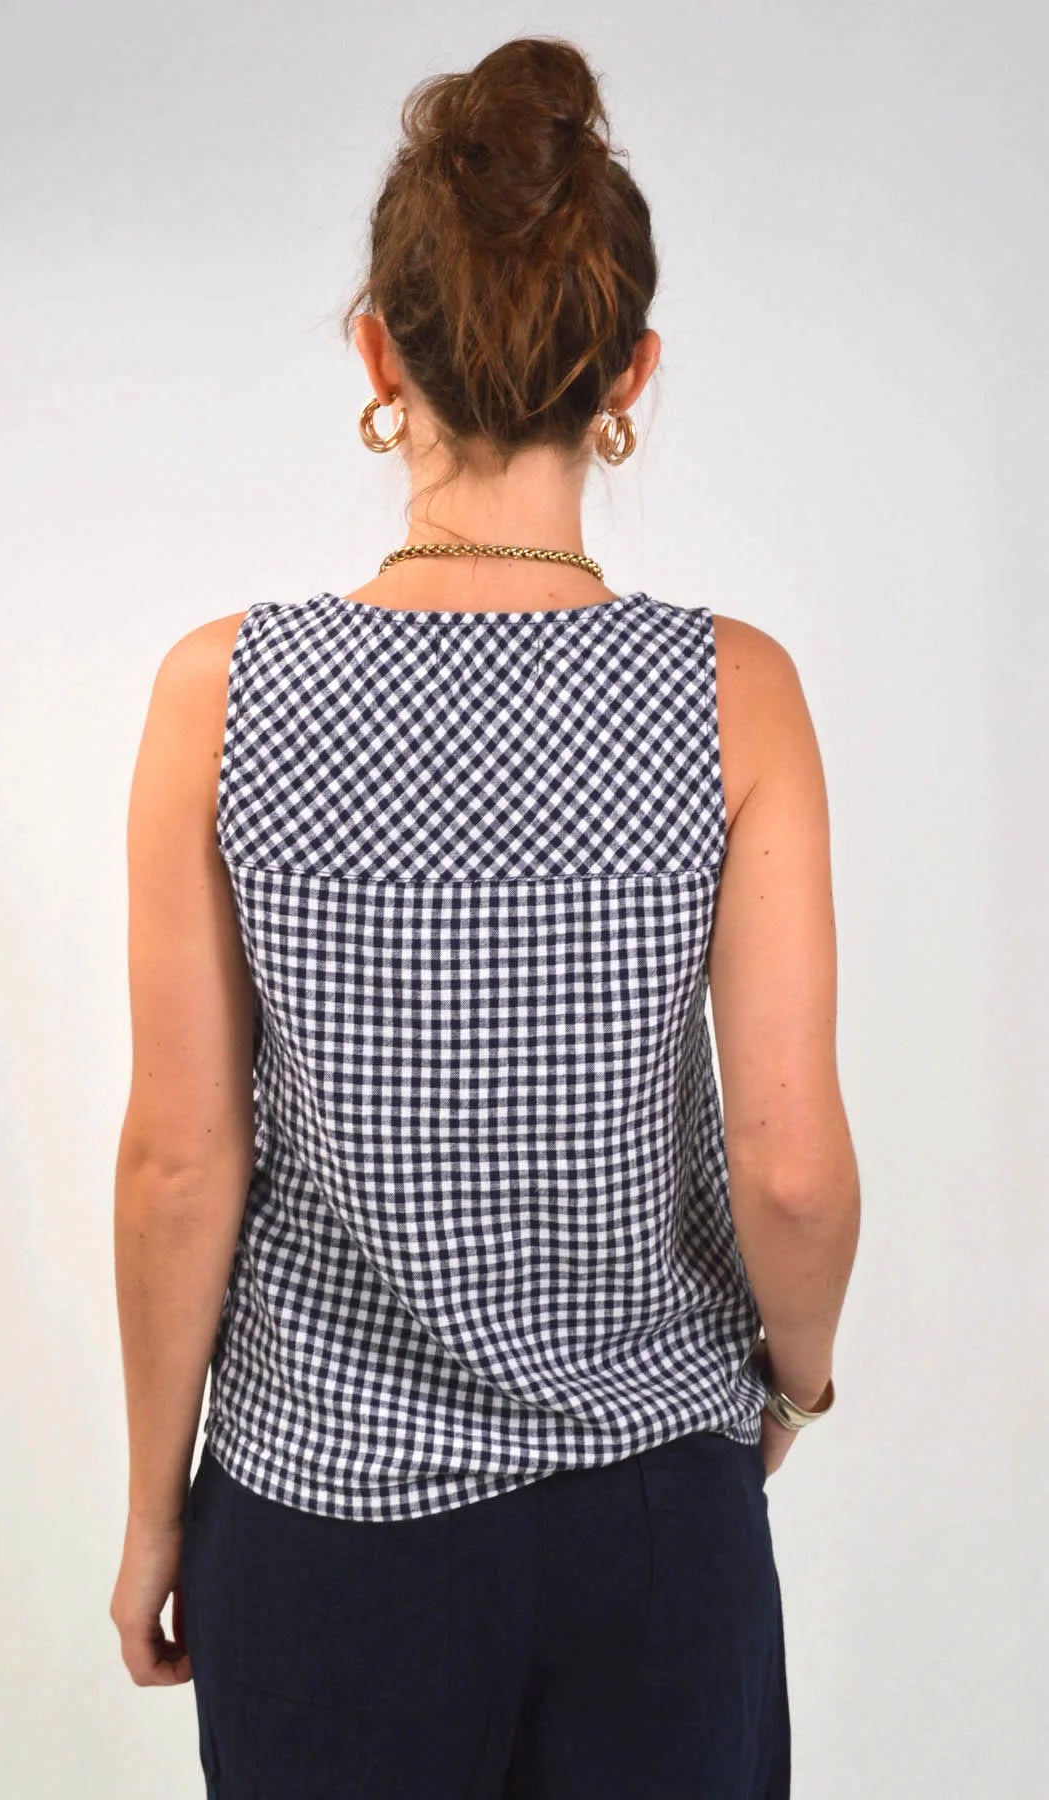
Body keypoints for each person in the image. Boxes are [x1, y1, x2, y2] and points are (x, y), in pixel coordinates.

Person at [109, 33, 860, 1799]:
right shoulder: (734, 696)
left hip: (320, 1521)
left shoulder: (218, 695)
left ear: (381, 351)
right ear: (628, 371)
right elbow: (791, 1171)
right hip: (651, 1521)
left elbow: (178, 1161)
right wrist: (792, 1386)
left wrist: (153, 1507)